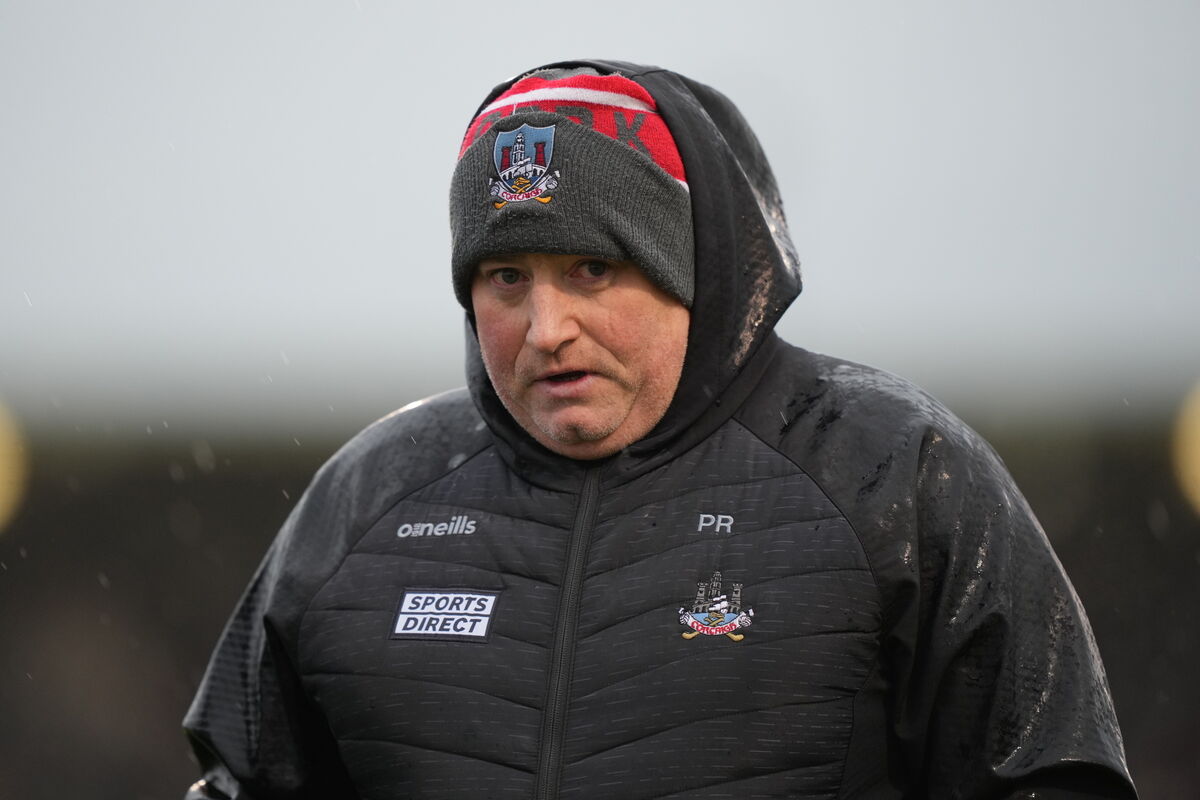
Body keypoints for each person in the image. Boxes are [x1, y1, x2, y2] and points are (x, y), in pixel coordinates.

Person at [183, 60, 1137, 799]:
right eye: (506, 279)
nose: (547, 328)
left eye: (592, 269)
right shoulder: (364, 502)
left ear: (694, 271)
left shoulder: (896, 473)